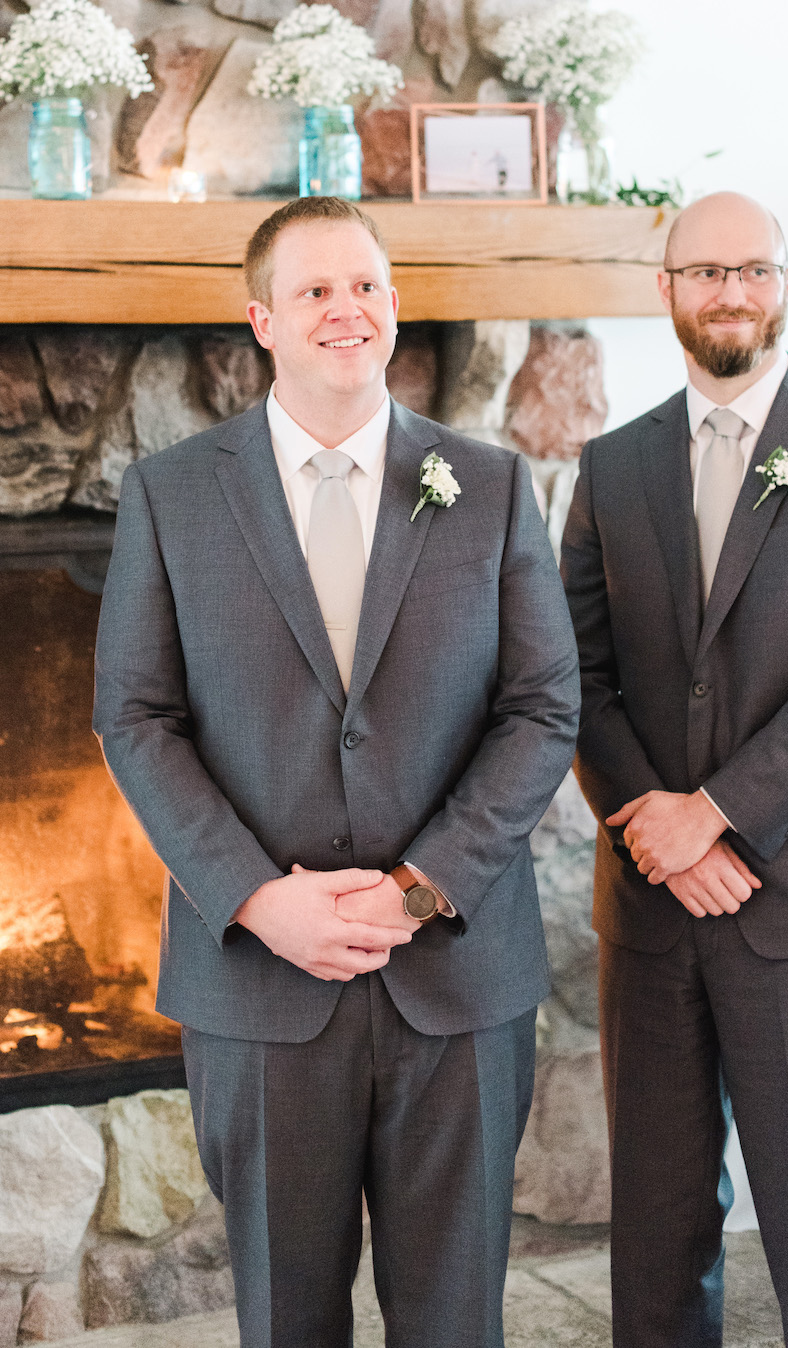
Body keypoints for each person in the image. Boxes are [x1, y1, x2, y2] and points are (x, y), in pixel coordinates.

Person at [93, 196, 580, 1348]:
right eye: (314, 290)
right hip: (261, 995)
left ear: (396, 304)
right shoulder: (170, 495)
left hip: (457, 980)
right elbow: (136, 717)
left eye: (365, 285)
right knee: (286, 1318)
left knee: (457, 1319)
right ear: (262, 319)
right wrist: (261, 899)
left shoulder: (494, 485)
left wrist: (420, 887)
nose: (345, 309)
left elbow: (542, 706)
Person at [561, 191, 788, 1348]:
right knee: (655, 1235)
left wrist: (715, 818)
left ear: (787, 285)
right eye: (703, 271)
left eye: (753, 269)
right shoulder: (611, 466)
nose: (730, 292)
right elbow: (575, 673)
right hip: (652, 911)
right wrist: (652, 827)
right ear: (664, 291)